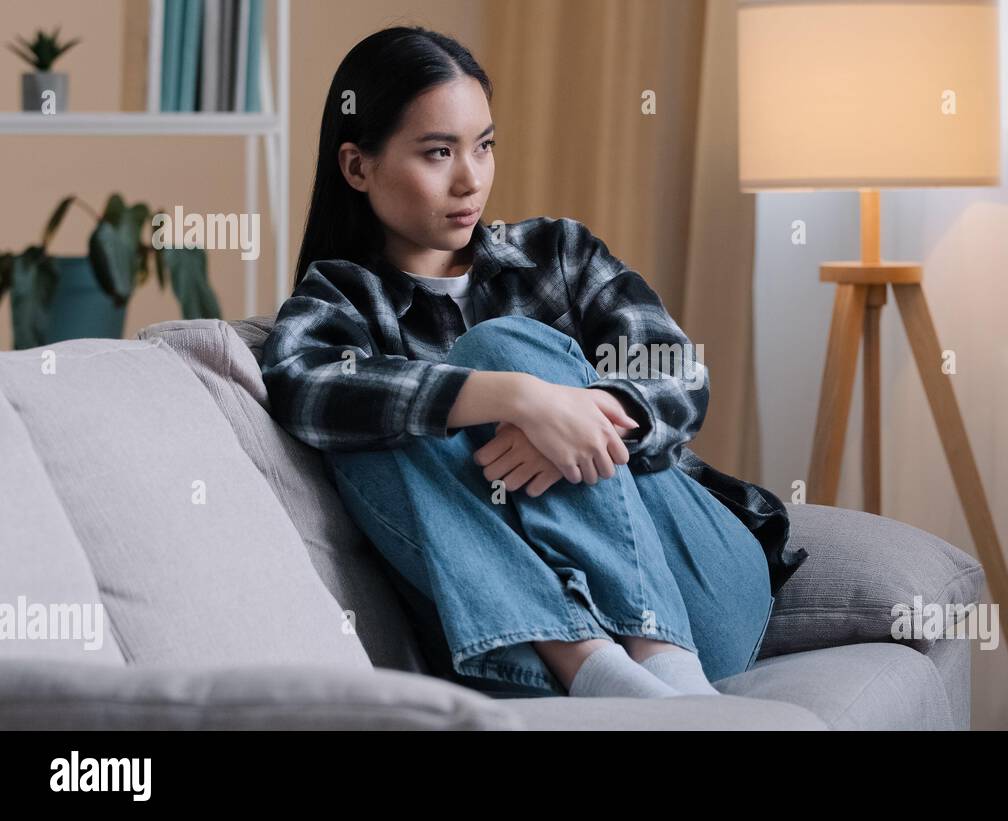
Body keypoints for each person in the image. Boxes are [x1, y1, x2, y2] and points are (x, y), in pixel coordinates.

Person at [261, 26, 801, 699]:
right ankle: (603, 676)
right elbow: (300, 385)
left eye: (484, 147)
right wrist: (517, 398)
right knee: (375, 425)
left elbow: (679, 371)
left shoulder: (558, 255)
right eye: (438, 153)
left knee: (496, 344)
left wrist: (582, 415)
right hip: (523, 642)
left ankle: (663, 666)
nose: (471, 179)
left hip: (699, 592)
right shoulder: (339, 302)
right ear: (357, 166)